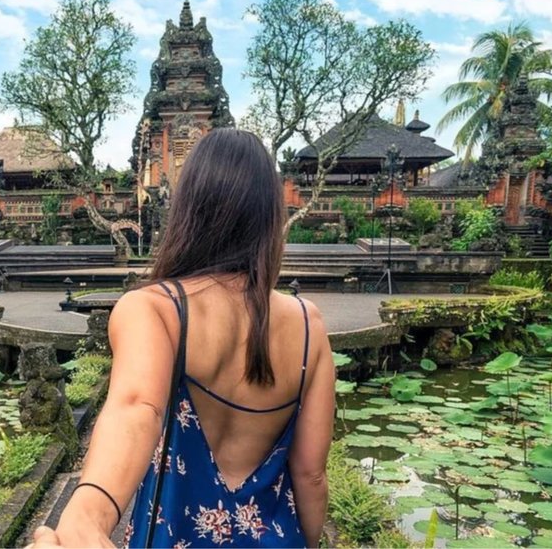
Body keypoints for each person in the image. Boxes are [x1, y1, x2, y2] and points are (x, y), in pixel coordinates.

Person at [30, 129, 335, 548]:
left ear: (187, 208)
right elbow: (311, 473)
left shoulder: (154, 309)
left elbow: (136, 409)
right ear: (270, 217)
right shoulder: (309, 325)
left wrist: (88, 514)